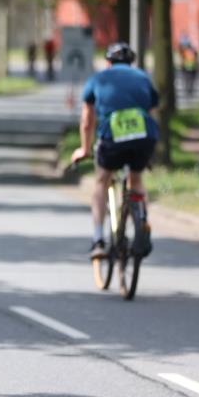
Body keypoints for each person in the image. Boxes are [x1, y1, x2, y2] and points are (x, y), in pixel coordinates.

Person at [69, 42, 159, 259]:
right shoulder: (143, 78)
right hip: (143, 136)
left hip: (112, 137)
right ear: (131, 63)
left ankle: (98, 238)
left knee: (102, 181)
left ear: (108, 63)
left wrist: (84, 148)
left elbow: (87, 120)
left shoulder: (98, 79)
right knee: (136, 179)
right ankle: (142, 222)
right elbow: (153, 113)